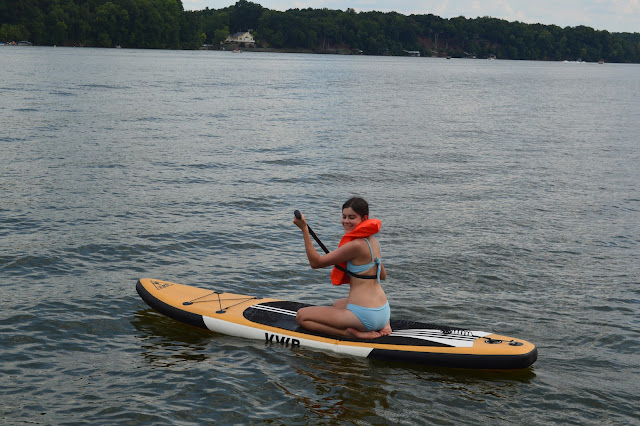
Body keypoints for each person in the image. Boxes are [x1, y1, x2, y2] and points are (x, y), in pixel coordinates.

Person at [292, 197, 392, 339]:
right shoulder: (373, 241)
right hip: (383, 312)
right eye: (344, 216)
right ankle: (383, 324)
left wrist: (304, 229)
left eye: (352, 217)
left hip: (365, 317)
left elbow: (316, 263)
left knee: (302, 316)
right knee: (337, 304)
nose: (346, 221)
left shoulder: (355, 245)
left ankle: (352, 334)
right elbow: (382, 275)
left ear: (364, 218)